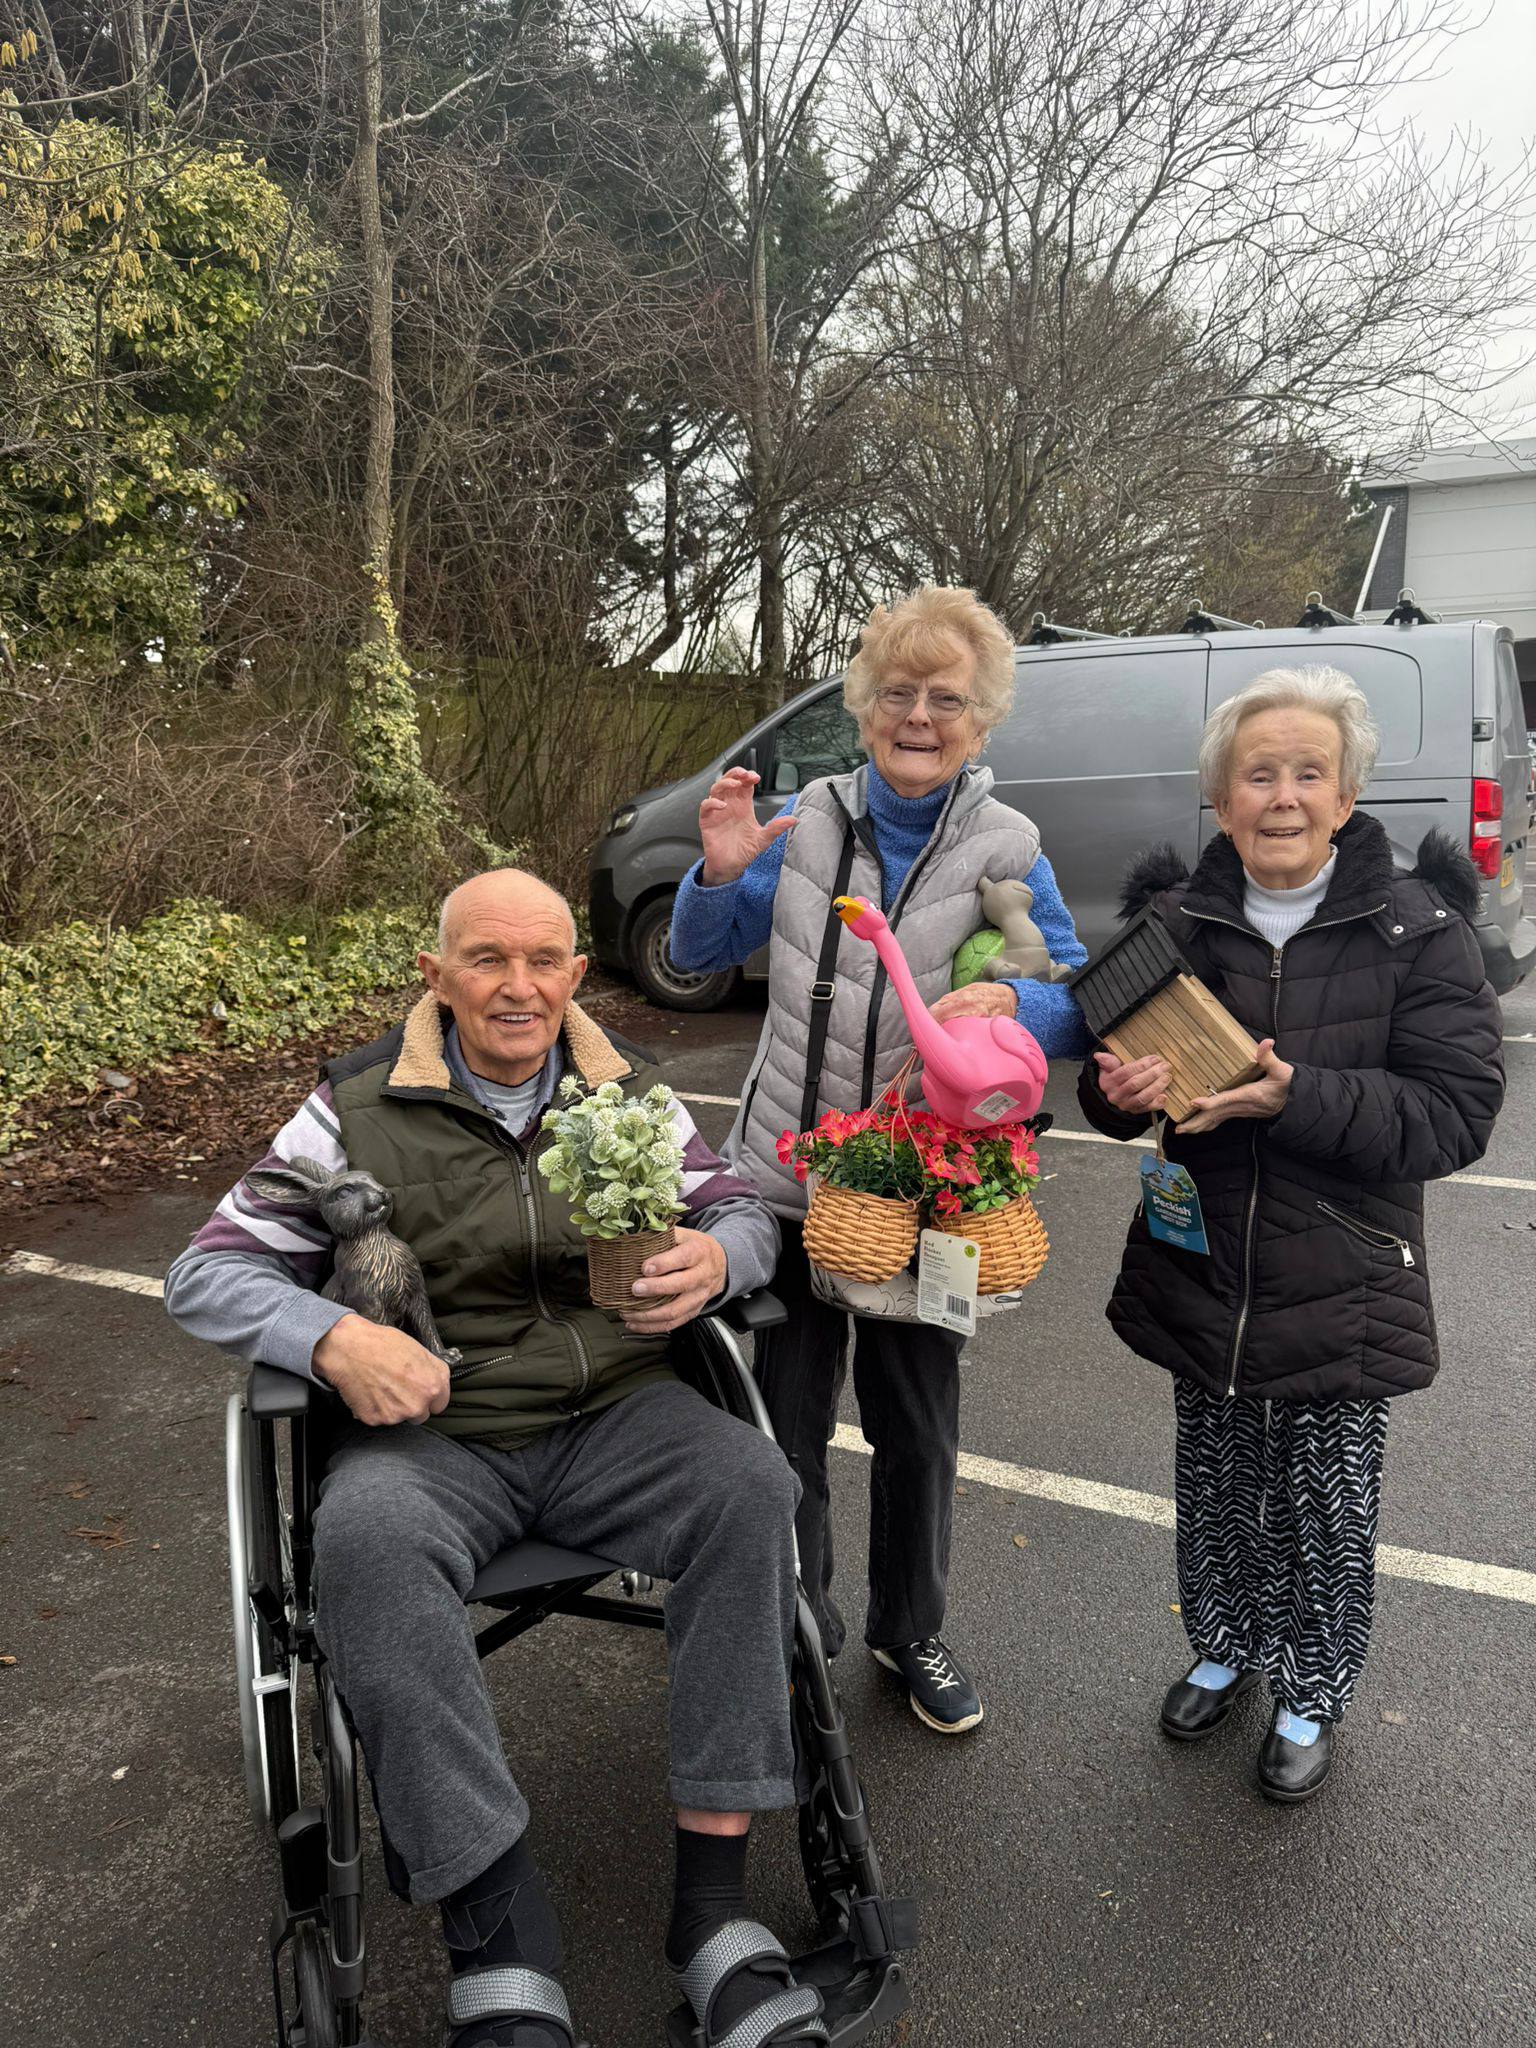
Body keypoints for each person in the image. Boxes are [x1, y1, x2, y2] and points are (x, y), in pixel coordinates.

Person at [164, 868, 831, 2048]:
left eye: (542, 961)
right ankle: (500, 1940)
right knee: (365, 1541)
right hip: (434, 1435)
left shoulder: (626, 1087)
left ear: (576, 974)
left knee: (750, 1486)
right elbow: (207, 1268)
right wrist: (331, 1336)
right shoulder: (352, 1109)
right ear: (437, 975)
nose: (517, 986)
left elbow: (736, 1204)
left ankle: (714, 1916)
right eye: (486, 959)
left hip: (616, 1411)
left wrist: (723, 1258)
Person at [1078, 666, 1504, 1803]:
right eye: (1258, 774)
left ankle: (1311, 1690)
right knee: (1215, 1478)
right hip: (1204, 1259)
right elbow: (1103, 1083)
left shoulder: (1420, 932)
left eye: (1308, 773)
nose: (1282, 796)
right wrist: (1115, 1093)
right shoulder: (1173, 925)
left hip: (1345, 1270)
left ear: (1347, 794)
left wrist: (1293, 1095)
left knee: (1326, 1503)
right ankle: (1223, 1645)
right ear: (1221, 800)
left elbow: (1456, 1114)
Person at [670, 585, 1090, 1736]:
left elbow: (1072, 999)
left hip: (929, 1195)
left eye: (945, 698)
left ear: (980, 719)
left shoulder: (1009, 848)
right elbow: (700, 952)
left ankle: (912, 1630)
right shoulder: (809, 822)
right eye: (897, 692)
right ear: (862, 707)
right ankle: (798, 1620)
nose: (918, 715)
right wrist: (717, 875)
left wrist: (1020, 1003)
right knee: (783, 1425)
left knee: (917, 1425)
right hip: (786, 1181)